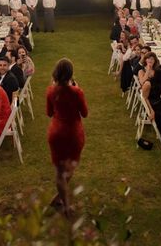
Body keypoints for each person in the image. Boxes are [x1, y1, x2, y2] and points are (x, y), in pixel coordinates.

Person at [46, 58, 88, 218]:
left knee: (59, 172)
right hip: (73, 133)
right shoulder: (77, 92)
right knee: (70, 168)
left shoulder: (51, 91)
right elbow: (84, 113)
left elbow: (49, 113)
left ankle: (60, 199)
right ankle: (65, 206)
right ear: (71, 74)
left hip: (56, 133)